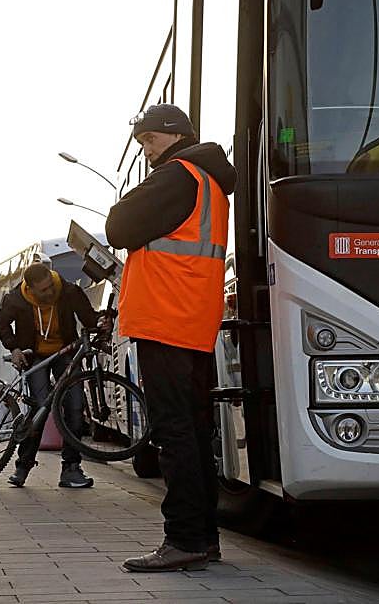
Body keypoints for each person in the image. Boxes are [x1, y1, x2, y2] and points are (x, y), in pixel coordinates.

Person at [106, 104, 235, 572]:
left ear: (176, 135)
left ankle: (183, 539)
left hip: (164, 317)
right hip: (193, 320)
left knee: (173, 433)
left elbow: (118, 226)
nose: (147, 149)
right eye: (142, 142)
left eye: (150, 139)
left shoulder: (177, 175)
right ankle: (204, 537)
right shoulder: (210, 182)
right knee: (195, 432)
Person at [0, 261, 101, 489]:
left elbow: (89, 318)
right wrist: (14, 348)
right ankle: (23, 466)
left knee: (75, 407)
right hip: (35, 356)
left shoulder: (68, 291)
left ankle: (71, 468)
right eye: (44, 290)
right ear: (30, 289)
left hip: (65, 352)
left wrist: (101, 321)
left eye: (51, 285)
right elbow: (0, 321)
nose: (50, 291)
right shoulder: (17, 298)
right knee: (40, 408)